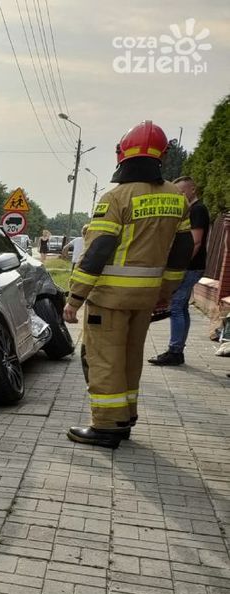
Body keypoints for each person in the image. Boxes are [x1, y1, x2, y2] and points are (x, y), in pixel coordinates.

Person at [62, 120, 193, 448]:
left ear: (123, 155)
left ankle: (106, 426)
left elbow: (98, 251)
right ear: (161, 156)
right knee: (131, 357)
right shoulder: (176, 197)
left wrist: (75, 298)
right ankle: (126, 416)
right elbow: (182, 251)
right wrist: (167, 292)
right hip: (146, 298)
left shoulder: (117, 197)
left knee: (103, 358)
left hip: (109, 299)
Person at [148, 175, 210, 366]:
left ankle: (175, 351)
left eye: (182, 192)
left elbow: (196, 242)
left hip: (189, 267)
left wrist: (179, 266)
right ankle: (177, 349)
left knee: (175, 306)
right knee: (181, 307)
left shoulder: (197, 210)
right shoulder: (190, 209)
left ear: (193, 190)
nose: (180, 196)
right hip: (190, 266)